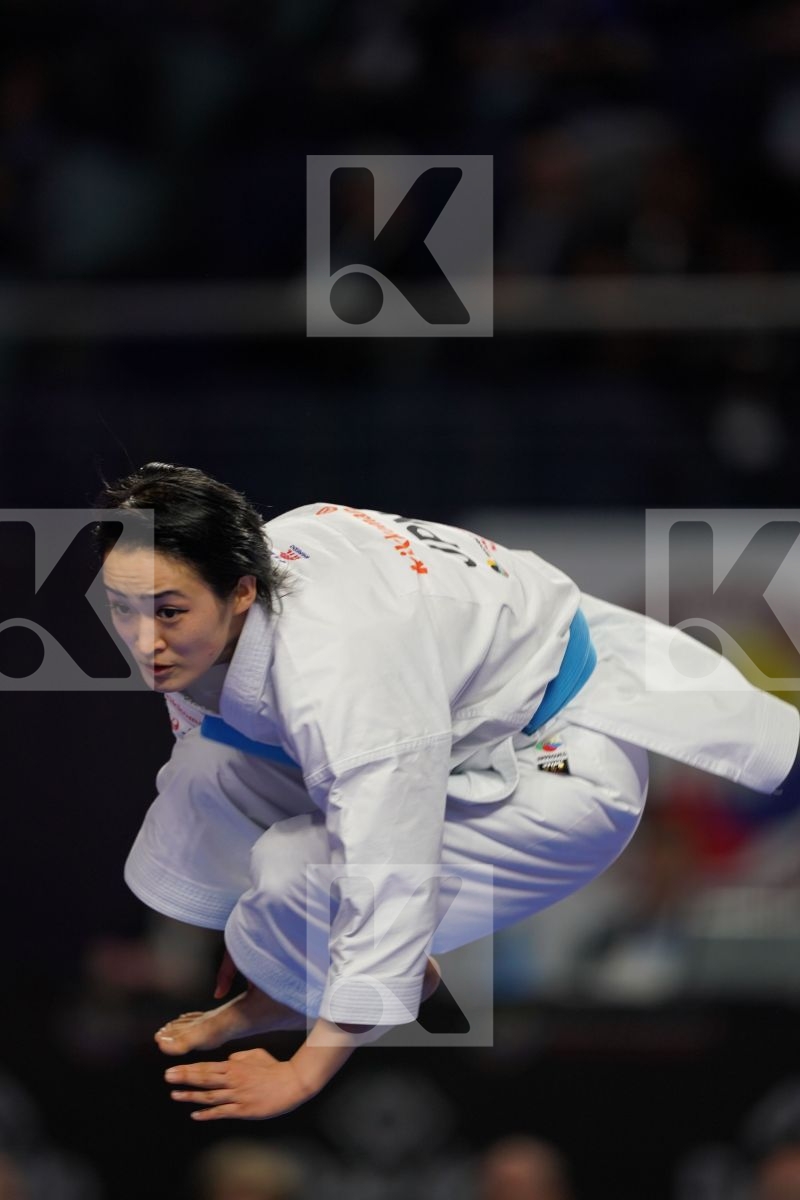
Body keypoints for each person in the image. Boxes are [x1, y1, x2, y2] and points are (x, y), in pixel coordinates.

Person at [93, 463, 799, 1122]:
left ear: (242, 589)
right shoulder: (250, 565)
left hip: (557, 767)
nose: (142, 638)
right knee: (204, 774)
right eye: (123, 609)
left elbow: (389, 870)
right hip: (473, 713)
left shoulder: (338, 669)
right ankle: (293, 977)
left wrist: (305, 1072)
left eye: (168, 612)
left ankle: (307, 991)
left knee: (295, 873)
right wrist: (256, 930)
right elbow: (223, 743)